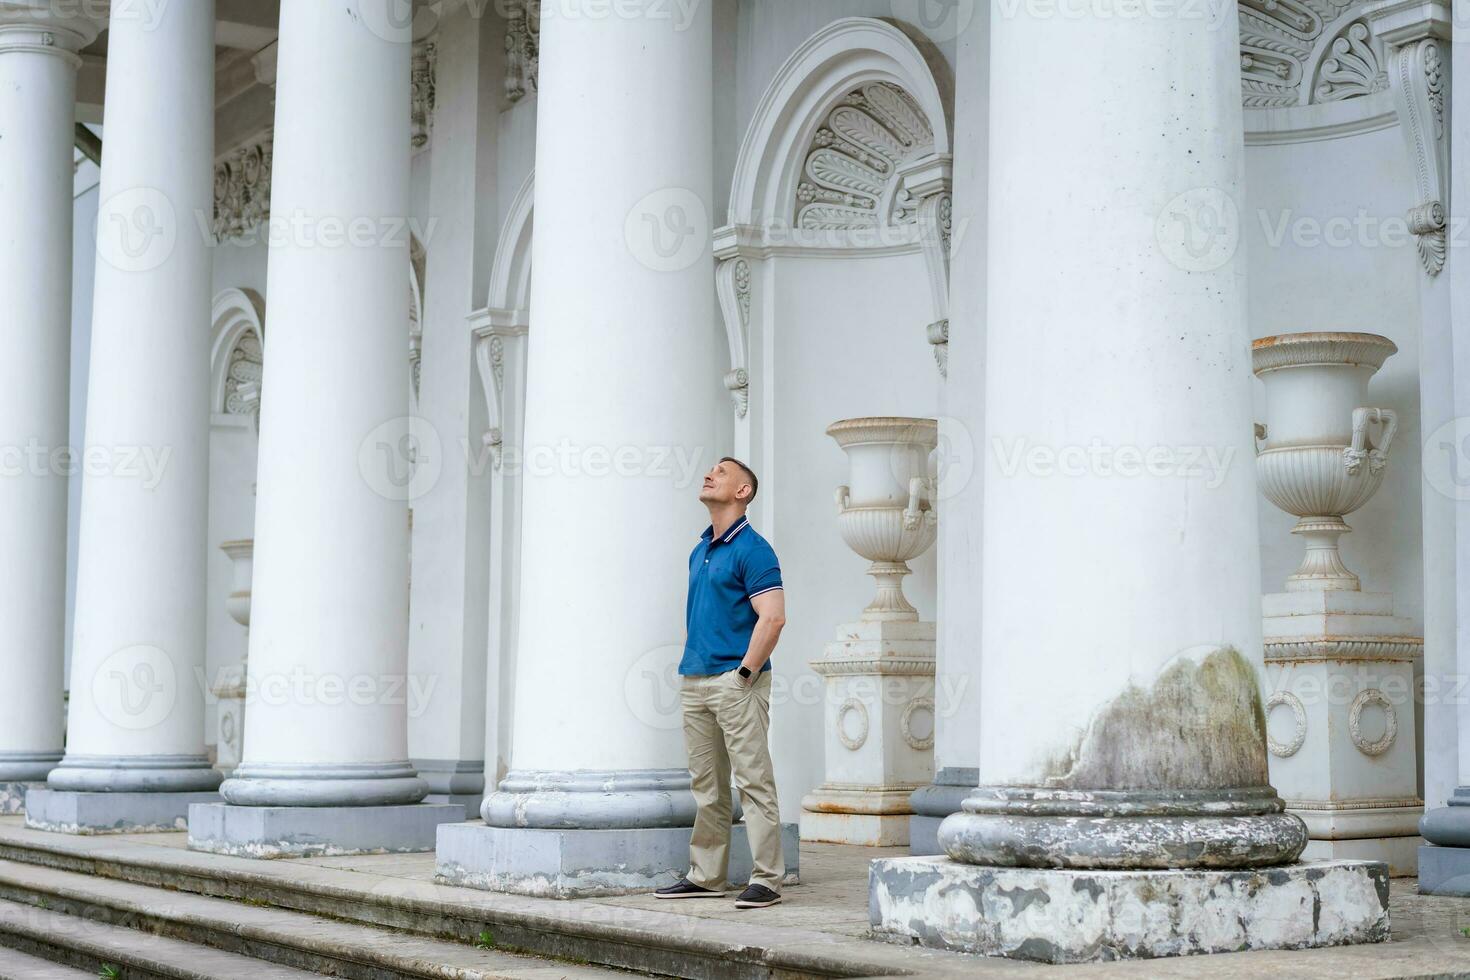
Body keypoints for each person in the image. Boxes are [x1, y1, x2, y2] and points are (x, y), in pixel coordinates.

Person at [655, 456, 787, 909]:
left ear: (742, 491)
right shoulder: (700, 548)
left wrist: (744, 675)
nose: (709, 474)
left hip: (737, 682)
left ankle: (768, 879)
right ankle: (707, 875)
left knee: (753, 782)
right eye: (710, 469)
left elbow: (773, 618)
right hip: (694, 681)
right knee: (706, 788)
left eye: (722, 472)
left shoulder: (754, 549)